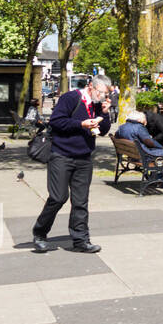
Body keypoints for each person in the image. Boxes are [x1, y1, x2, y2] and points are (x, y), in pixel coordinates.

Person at [32, 74, 114, 254]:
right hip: (61, 155)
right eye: (101, 93)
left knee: (80, 201)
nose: (102, 97)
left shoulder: (98, 105)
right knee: (58, 197)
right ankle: (40, 233)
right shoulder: (70, 98)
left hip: (84, 157)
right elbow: (56, 122)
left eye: (106, 94)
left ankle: (81, 240)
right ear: (91, 86)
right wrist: (81, 124)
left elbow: (103, 131)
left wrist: (105, 114)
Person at [115, 110, 163, 189]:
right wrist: (161, 148)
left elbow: (116, 135)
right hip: (144, 154)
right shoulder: (139, 128)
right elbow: (149, 142)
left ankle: (157, 179)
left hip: (134, 155)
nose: (145, 121)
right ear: (138, 120)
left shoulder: (122, 127)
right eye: (143, 119)